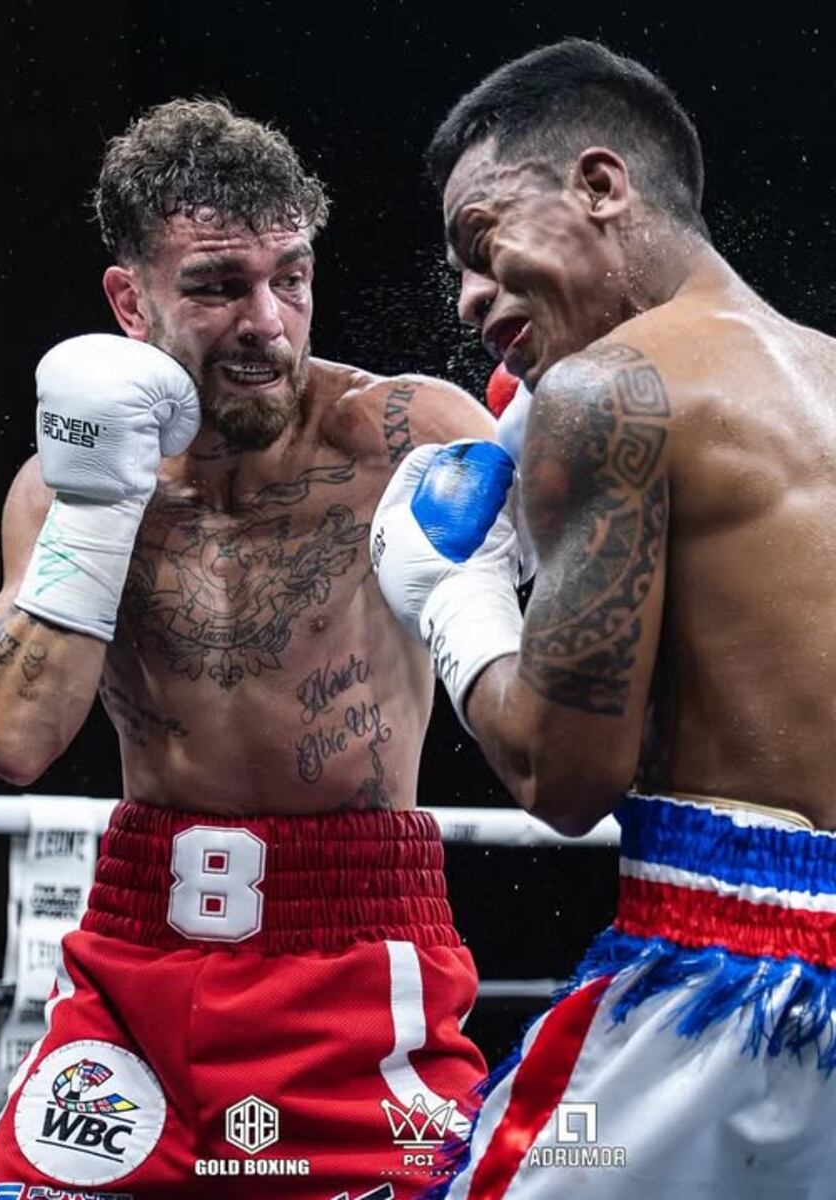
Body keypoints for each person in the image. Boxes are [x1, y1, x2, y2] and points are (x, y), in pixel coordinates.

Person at [0, 97, 498, 1200]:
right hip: (135, 964)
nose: (267, 322)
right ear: (130, 301)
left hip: (356, 955)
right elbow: (13, 741)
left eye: (290, 279)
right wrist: (98, 513)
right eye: (217, 286)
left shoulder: (408, 439)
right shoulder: (63, 484)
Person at [370, 38, 836, 1199]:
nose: (468, 298)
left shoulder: (609, 393)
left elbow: (565, 778)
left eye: (483, 242)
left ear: (599, 184)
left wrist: (452, 595)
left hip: (727, 992)